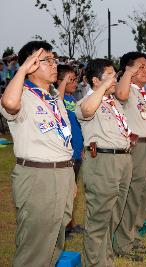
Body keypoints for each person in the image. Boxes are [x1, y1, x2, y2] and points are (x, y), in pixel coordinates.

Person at [0, 41, 75, 266]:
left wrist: (69, 177)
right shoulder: (21, 93)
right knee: (34, 245)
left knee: (55, 239)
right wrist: (21, 70)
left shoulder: (53, 98)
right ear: (31, 65)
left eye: (55, 60)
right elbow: (9, 103)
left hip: (62, 172)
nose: (55, 65)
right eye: (47, 60)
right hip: (38, 176)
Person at [76, 58, 136, 265]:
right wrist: (101, 89)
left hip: (122, 160)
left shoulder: (113, 103)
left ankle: (105, 260)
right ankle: (93, 262)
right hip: (102, 161)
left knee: (113, 216)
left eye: (115, 75)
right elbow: (87, 111)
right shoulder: (87, 102)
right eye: (109, 76)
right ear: (95, 80)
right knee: (98, 219)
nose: (114, 80)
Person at [113, 52, 146, 259]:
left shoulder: (142, 92)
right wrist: (128, 73)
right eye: (140, 67)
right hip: (138, 147)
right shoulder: (124, 89)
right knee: (133, 195)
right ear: (128, 70)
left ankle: (131, 235)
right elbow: (120, 96)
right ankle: (122, 242)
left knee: (144, 194)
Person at [56, 64, 85, 239]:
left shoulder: (72, 99)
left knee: (72, 191)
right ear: (59, 81)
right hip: (65, 153)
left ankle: (70, 224)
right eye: (70, 79)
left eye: (75, 79)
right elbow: (56, 104)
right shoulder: (56, 97)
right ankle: (62, 228)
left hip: (76, 152)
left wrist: (81, 148)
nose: (74, 82)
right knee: (63, 192)